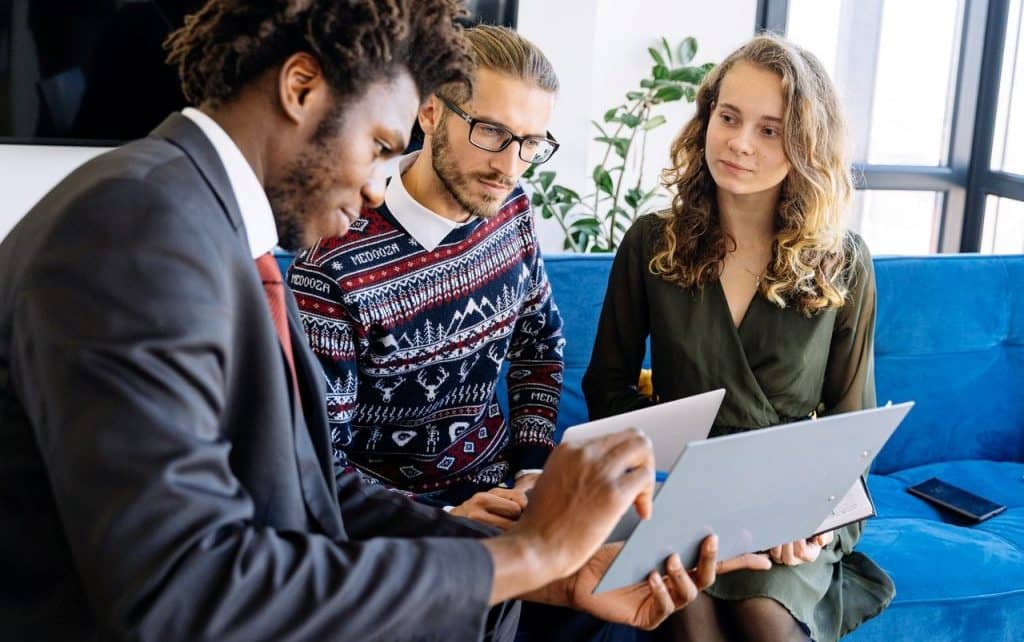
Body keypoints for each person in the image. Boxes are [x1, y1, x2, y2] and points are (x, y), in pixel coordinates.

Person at [0, 2, 755, 640]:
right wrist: (525, 557)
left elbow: (314, 488)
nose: (374, 189)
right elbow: (183, 591)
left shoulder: (198, 219)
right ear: (302, 86)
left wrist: (540, 566)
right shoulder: (138, 229)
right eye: (382, 146)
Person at [582, 34, 896, 642]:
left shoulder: (843, 261)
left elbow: (850, 428)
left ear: (806, 144)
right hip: (684, 505)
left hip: (786, 514)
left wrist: (819, 524)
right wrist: (668, 478)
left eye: (771, 130)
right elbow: (607, 385)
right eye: (728, 117)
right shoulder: (652, 242)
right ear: (706, 118)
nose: (740, 143)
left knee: (763, 620)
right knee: (691, 621)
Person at [290, 25, 562, 525]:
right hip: (405, 532)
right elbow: (317, 463)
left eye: (530, 144)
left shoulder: (512, 209)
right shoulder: (332, 267)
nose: (510, 166)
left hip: (507, 496)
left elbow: (539, 343)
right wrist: (449, 517)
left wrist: (532, 470)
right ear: (432, 111)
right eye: (492, 132)